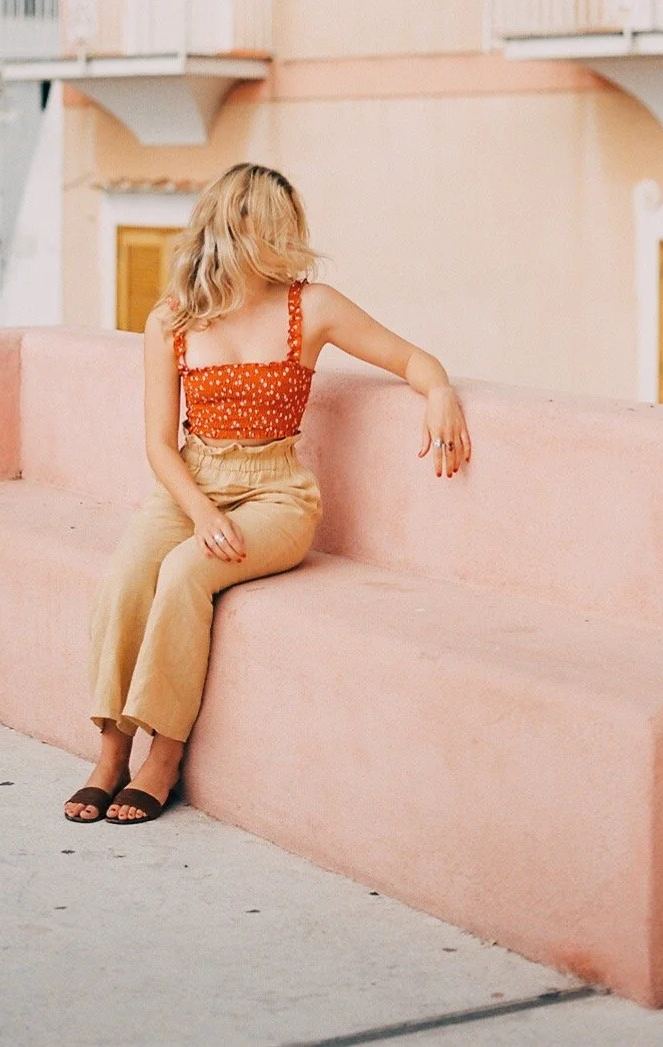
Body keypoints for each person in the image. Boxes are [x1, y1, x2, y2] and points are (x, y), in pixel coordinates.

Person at [64, 162, 471, 825]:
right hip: (189, 486)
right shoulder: (171, 319)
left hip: (277, 495)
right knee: (125, 576)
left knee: (185, 575)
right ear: (236, 225)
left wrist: (440, 390)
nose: (288, 238)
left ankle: (164, 755)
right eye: (273, 224)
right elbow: (159, 445)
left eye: (291, 224)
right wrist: (198, 510)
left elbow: (410, 359)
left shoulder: (311, 306)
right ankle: (111, 753)